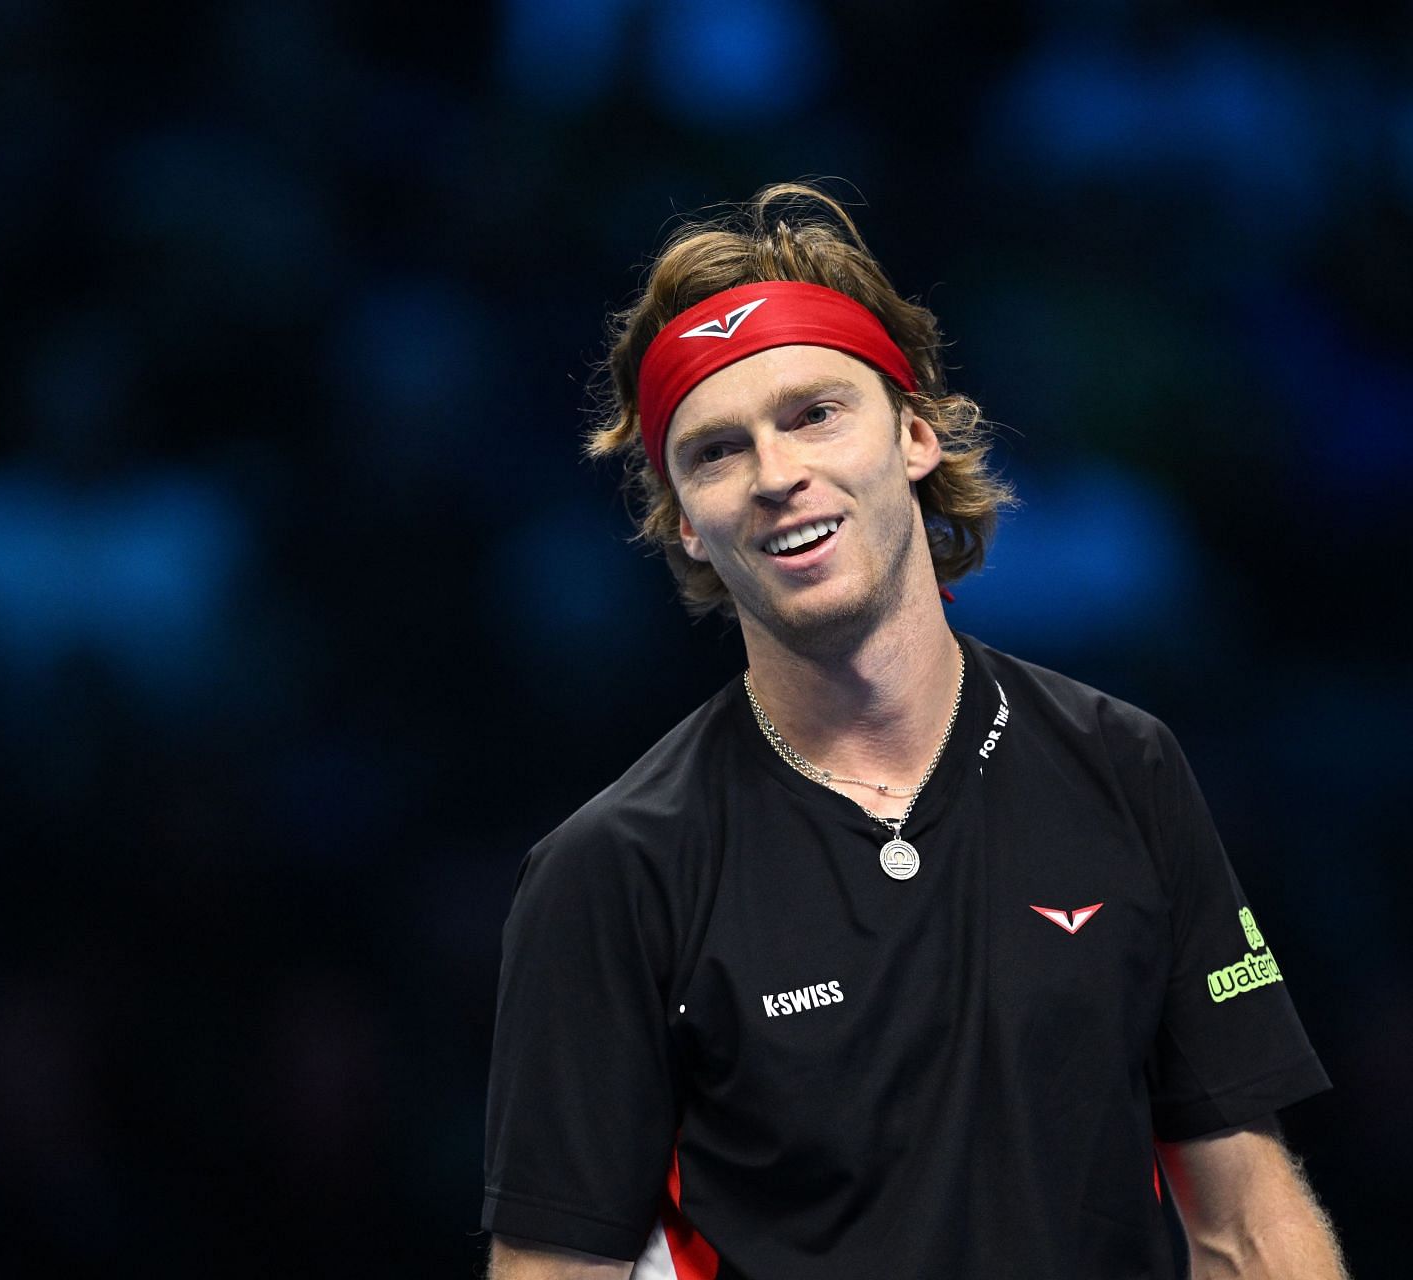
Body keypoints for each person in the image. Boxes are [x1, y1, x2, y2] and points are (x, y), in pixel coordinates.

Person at [480, 183, 1349, 1280]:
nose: (777, 474)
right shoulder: (608, 871)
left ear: (916, 434)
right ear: (685, 526)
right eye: (715, 452)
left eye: (814, 412)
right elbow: (555, 1268)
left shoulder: (1126, 765)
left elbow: (1248, 1228)